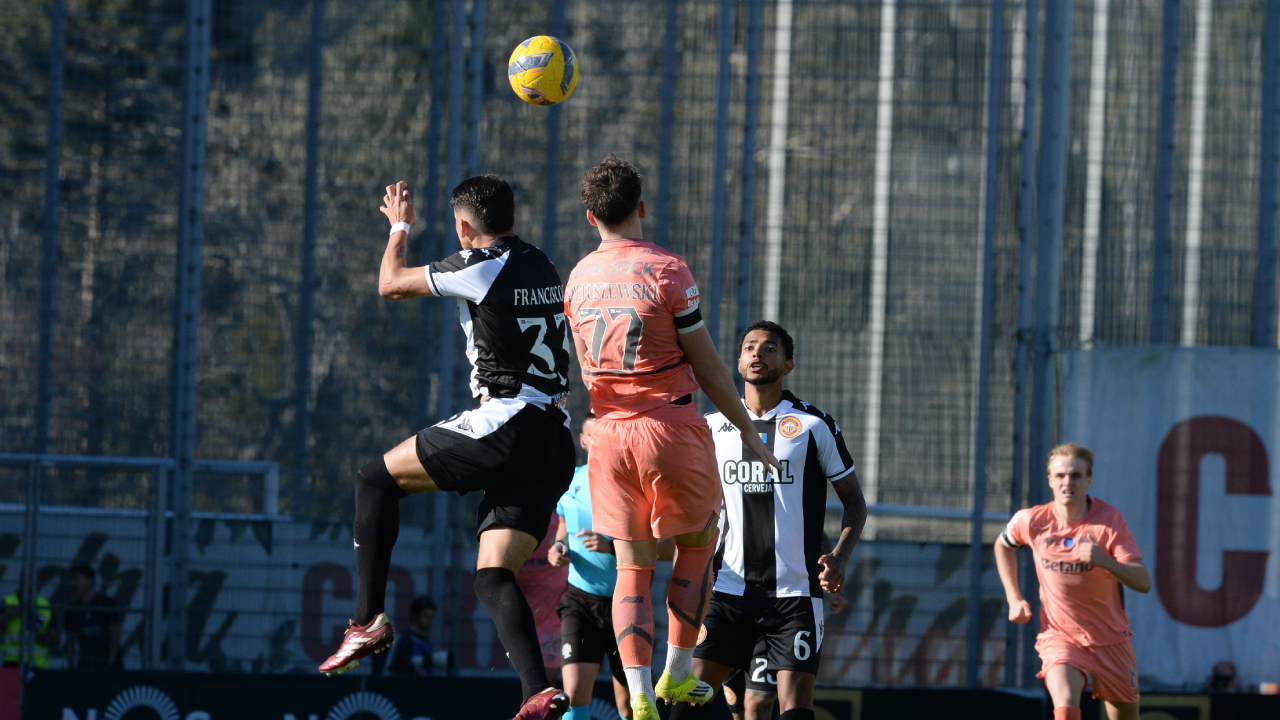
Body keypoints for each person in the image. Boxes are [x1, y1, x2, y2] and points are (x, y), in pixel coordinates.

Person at [318, 176, 576, 720]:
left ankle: (366, 622)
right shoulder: (542, 262)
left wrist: (400, 226)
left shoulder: (481, 264)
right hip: (554, 439)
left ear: (463, 227)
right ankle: (538, 692)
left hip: (509, 422)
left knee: (372, 479)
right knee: (492, 574)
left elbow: (390, 283)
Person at [563, 156, 782, 720]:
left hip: (608, 437)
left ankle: (637, 692)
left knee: (631, 567)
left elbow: (585, 362)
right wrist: (749, 434)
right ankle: (677, 673)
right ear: (641, 207)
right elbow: (708, 364)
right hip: (670, 427)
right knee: (699, 541)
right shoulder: (666, 270)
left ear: (591, 217)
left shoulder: (579, 277)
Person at [669, 321, 868, 720]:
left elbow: (855, 504)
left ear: (789, 364)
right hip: (725, 592)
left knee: (793, 709)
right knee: (685, 702)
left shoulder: (814, 425)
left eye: (770, 348)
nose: (758, 354)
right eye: (749, 347)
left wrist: (840, 557)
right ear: (739, 361)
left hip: (795, 594)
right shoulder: (708, 427)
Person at [995, 443, 1151, 720]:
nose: (1068, 482)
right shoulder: (1031, 520)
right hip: (1060, 636)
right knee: (1065, 709)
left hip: (1110, 639)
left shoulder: (1109, 522)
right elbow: (1003, 545)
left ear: (1088, 480)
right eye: (1061, 476)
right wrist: (1013, 597)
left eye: (1076, 476)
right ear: (1050, 480)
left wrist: (1105, 561)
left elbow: (1143, 581)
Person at [719, 562, 850, 720]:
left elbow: (818, 538)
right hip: (728, 604)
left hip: (776, 606)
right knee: (738, 711)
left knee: (757, 702)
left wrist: (835, 571)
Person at [516, 514, 569, 685]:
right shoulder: (511, 519)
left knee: (542, 689)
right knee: (535, 690)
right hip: (522, 622)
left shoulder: (562, 516)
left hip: (556, 622)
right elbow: (484, 574)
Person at [62, 564, 121, 670]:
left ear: (90, 581)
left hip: (108, 666)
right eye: (71, 579)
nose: (73, 583)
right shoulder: (73, 609)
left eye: (77, 579)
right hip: (86, 665)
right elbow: (70, 640)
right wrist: (71, 666)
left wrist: (110, 662)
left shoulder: (106, 603)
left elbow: (115, 635)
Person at [1, 581, 55, 669]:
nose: (30, 585)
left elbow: (56, 639)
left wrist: (45, 636)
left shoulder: (45, 606)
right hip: (12, 662)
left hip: (38, 664)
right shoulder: (7, 602)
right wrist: (10, 614)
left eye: (33, 581)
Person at [388, 596, 437, 677]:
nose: (429, 620)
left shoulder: (426, 642)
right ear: (415, 616)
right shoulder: (402, 639)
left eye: (431, 617)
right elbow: (392, 668)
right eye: (425, 616)